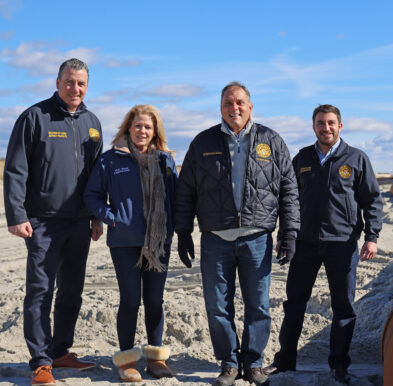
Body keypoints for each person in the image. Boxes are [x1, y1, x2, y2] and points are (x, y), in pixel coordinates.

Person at [174, 81, 300, 386]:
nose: (235, 108)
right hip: (216, 238)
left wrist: (290, 231)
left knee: (258, 304)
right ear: (220, 108)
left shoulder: (271, 140)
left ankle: (253, 362)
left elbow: (288, 189)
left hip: (257, 238)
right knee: (218, 305)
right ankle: (229, 364)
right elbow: (186, 190)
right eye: (228, 103)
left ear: (250, 106)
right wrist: (183, 231)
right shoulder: (203, 143)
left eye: (240, 102)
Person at [265, 104, 383, 384]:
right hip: (304, 243)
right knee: (294, 304)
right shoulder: (303, 158)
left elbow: (372, 200)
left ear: (340, 126)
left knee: (342, 307)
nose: (325, 128)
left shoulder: (356, 158)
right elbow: (288, 198)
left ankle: (339, 366)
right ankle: (285, 361)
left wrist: (372, 237)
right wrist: (285, 235)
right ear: (314, 126)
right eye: (320, 123)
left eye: (331, 123)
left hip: (342, 244)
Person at [3, 58, 103, 385]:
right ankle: (41, 362)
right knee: (40, 291)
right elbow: (15, 170)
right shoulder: (35, 117)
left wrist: (97, 216)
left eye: (81, 84)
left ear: (87, 86)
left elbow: (96, 176)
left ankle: (61, 351)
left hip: (79, 222)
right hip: (42, 222)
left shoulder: (92, 122)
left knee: (71, 291)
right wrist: (17, 216)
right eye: (70, 82)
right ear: (58, 82)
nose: (76, 89)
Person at [83, 105, 178, 382]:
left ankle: (156, 360)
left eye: (148, 127)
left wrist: (174, 229)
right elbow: (93, 195)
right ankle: (126, 361)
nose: (142, 131)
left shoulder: (164, 160)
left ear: (155, 131)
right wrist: (112, 218)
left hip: (159, 242)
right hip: (125, 241)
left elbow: (176, 198)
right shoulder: (111, 160)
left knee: (155, 301)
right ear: (128, 128)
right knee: (130, 300)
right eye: (137, 126)